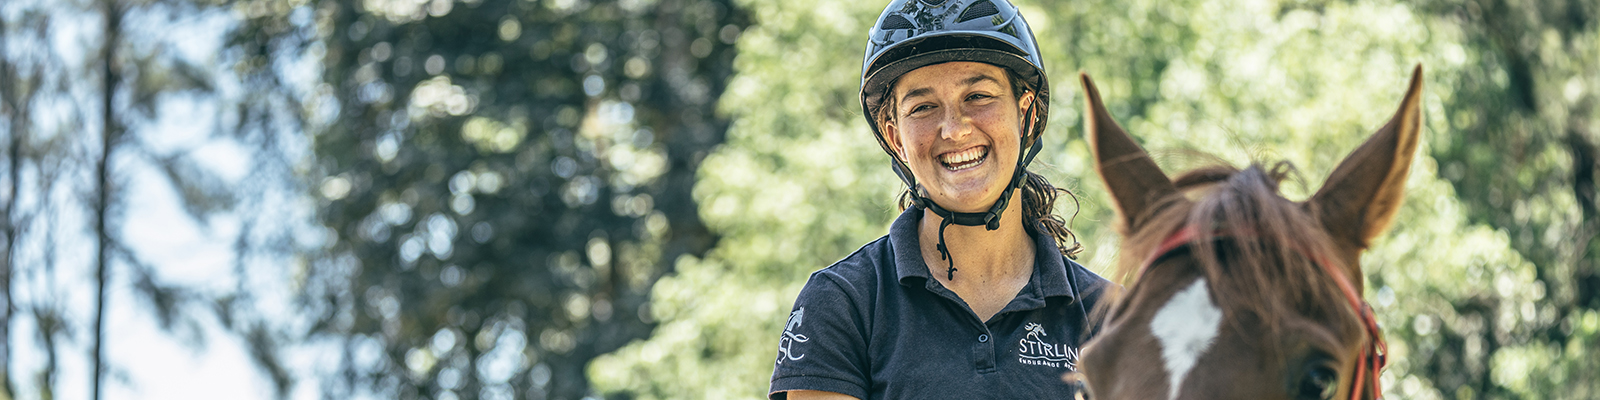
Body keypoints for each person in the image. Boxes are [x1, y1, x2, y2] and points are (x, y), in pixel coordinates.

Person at [767, 0, 1110, 398]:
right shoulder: (842, 302)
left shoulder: (1111, 316)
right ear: (895, 138)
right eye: (924, 107)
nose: (954, 130)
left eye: (977, 96)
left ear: (1026, 114)